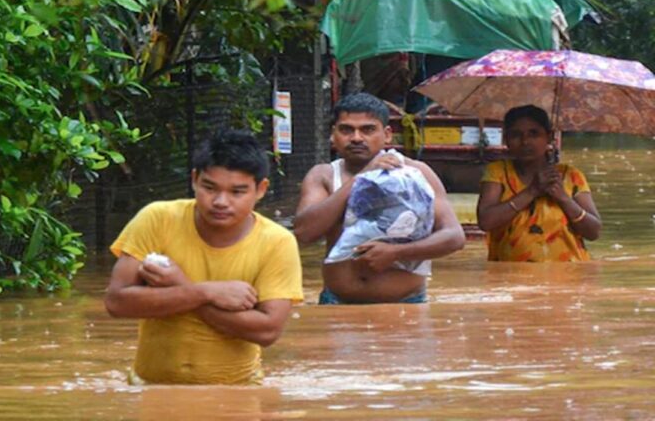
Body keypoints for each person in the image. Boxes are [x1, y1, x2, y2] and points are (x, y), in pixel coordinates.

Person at [104, 129, 303, 385]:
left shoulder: (277, 242)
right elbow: (117, 303)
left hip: (238, 392)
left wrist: (181, 286)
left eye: (237, 192)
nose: (221, 202)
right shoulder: (157, 218)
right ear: (195, 179)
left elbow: (267, 331)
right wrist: (205, 292)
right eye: (210, 188)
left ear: (261, 189)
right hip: (149, 387)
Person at [294, 92, 465, 304]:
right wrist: (361, 179)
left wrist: (396, 253)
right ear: (333, 135)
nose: (356, 137)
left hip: (407, 304)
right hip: (338, 303)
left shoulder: (417, 173)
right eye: (347, 129)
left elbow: (454, 237)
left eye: (368, 129)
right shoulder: (324, 176)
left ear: (387, 134)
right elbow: (303, 233)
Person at [477, 105, 602, 261]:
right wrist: (532, 190)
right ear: (506, 139)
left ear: (549, 137)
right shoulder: (498, 172)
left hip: (568, 276)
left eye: (534, 134)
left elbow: (594, 232)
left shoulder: (570, 176)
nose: (525, 142)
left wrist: (563, 198)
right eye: (516, 135)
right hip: (511, 278)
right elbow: (486, 222)